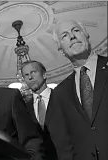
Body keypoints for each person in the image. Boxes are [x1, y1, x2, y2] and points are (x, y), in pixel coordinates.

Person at [49, 20, 108, 160]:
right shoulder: (59, 92)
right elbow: (64, 144)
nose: (72, 36)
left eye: (76, 30)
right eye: (64, 36)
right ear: (61, 50)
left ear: (86, 36)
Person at [21, 60, 58, 160]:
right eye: (26, 75)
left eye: (33, 72)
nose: (30, 77)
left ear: (44, 75)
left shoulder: (62, 97)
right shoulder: (23, 109)